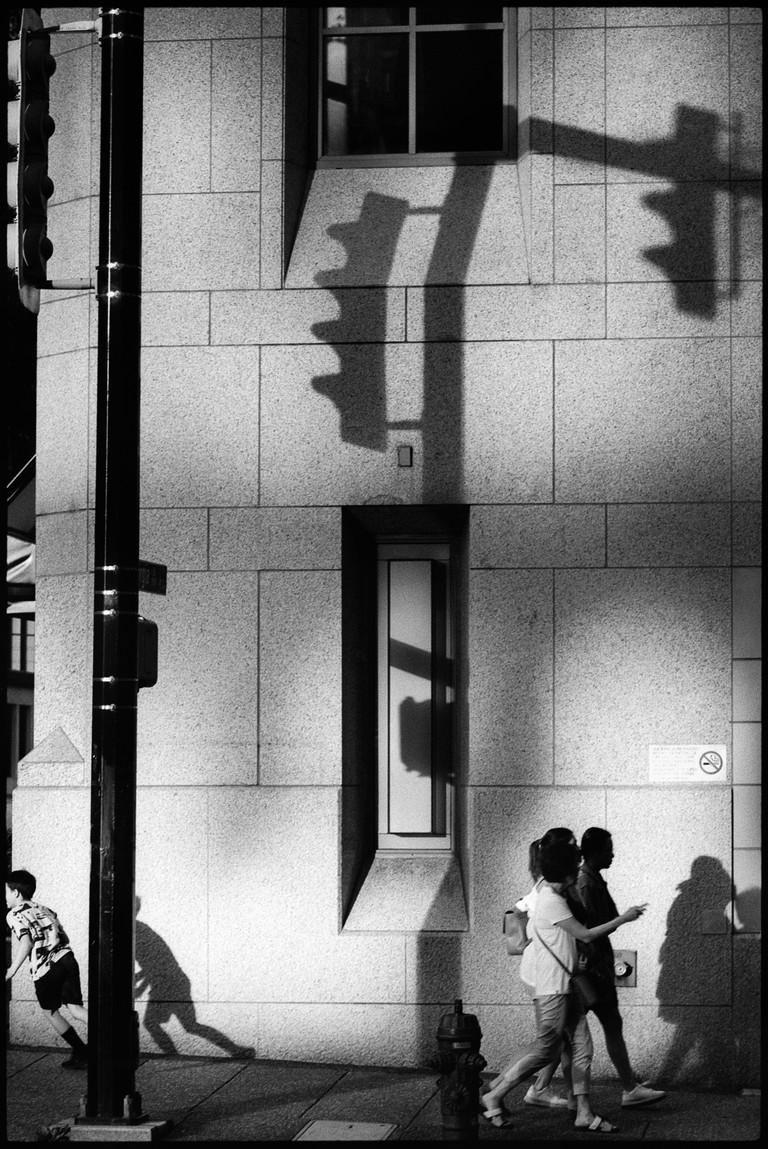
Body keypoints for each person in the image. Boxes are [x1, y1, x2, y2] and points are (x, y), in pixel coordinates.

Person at [482, 835, 648, 1133]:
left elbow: (551, 930)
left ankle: (583, 1112)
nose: (578, 869)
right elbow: (584, 935)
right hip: (552, 988)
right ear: (568, 873)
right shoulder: (550, 900)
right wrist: (624, 919)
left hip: (567, 985)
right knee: (547, 1050)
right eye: (574, 865)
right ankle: (495, 1093)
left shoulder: (554, 896)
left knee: (582, 1047)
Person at [573, 828, 666, 1108]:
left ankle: (628, 1086)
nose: (613, 853)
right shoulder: (586, 883)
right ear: (596, 851)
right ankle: (626, 1088)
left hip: (596, 966)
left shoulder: (594, 879)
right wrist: (624, 918)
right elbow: (588, 930)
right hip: (591, 970)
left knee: (593, 1029)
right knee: (562, 1040)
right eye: (608, 848)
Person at [6, 870, 88, 1070]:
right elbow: (64, 937)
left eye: (5, 892)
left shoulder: (14, 914)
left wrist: (12, 970)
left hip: (45, 968)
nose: (5, 898)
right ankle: (110, 1042)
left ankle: (82, 1051)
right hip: (67, 959)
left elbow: (26, 942)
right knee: (76, 1010)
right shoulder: (46, 909)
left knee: (50, 1011)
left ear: (16, 893)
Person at [515, 832, 573, 1110]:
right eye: (571, 845)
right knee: (549, 1041)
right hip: (543, 974)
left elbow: (520, 912)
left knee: (556, 1039)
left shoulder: (540, 887)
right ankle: (508, 1086)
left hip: (540, 971)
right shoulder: (548, 892)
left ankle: (552, 1090)